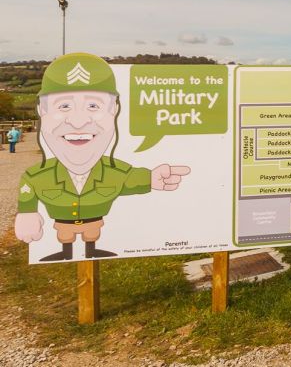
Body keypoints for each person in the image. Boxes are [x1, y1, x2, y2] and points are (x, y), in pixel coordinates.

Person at [13, 53, 191, 262]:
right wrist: (27, 212)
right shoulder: (38, 175)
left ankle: (91, 249)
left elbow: (129, 178)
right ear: (41, 111)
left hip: (93, 223)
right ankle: (66, 251)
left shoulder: (114, 170)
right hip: (63, 226)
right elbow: (29, 184)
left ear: (114, 111)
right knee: (65, 235)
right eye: (63, 106)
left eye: (93, 106)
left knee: (92, 233)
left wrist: (151, 178)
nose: (78, 122)